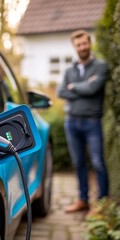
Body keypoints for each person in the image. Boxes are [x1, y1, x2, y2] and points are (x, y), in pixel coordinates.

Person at [57, 30, 109, 213]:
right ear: (75, 47)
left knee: (97, 162)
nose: (82, 47)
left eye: (84, 43)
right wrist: (83, 88)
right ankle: (83, 200)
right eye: (78, 45)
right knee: (78, 163)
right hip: (71, 122)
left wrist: (74, 88)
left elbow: (94, 88)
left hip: (92, 122)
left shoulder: (101, 66)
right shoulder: (69, 70)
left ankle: (103, 204)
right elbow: (60, 92)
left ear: (90, 43)